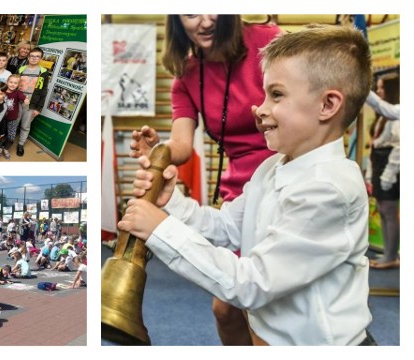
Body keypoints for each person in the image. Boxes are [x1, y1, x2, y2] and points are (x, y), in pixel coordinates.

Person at [118, 25, 374, 346]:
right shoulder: (271, 167)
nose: (259, 107)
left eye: (276, 95)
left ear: (327, 105)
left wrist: (161, 229)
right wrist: (172, 202)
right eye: (264, 93)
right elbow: (225, 227)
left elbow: (251, 284)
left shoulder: (330, 188)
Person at [129, 15, 281, 345]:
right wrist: (159, 150)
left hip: (284, 173)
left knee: (263, 311)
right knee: (226, 312)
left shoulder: (267, 41)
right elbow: (182, 144)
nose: (206, 20)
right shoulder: (186, 74)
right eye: (191, 11)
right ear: (175, 20)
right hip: (241, 187)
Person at [365, 73, 400, 270]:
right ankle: (388, 252)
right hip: (380, 162)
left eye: (381, 87)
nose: (379, 90)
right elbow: (382, 108)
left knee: (389, 212)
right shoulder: (384, 117)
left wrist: (389, 173)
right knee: (384, 211)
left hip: (389, 165)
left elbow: (399, 146)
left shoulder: (396, 116)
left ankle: (391, 255)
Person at [16, 47, 50, 156]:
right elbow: (14, 84)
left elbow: (43, 91)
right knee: (13, 122)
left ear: (41, 58)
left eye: (37, 56)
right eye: (32, 56)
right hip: (18, 101)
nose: (34, 58)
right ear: (28, 57)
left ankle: (20, 144)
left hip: (31, 104)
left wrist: (38, 108)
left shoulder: (43, 72)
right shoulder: (21, 69)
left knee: (25, 125)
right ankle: (7, 141)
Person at [0, 74, 29, 159]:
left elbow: (23, 98)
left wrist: (26, 100)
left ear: (18, 85)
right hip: (2, 118)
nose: (12, 84)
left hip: (12, 119)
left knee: (11, 137)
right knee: (1, 135)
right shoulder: (3, 91)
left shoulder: (17, 93)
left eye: (15, 83)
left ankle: (6, 148)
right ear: (7, 82)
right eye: (11, 82)